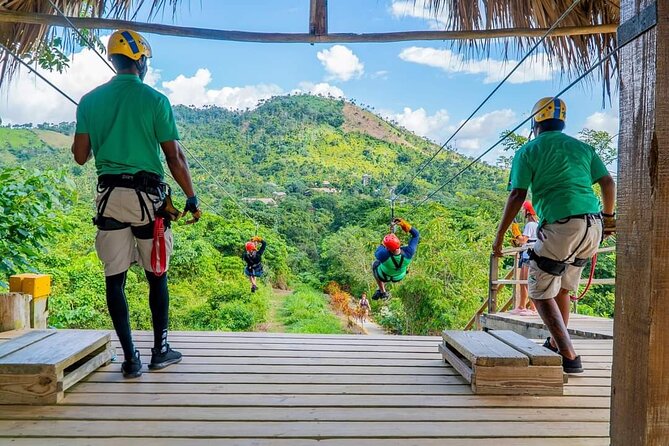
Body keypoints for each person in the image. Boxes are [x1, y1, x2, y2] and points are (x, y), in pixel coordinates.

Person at [72, 30, 201, 378]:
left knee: (115, 280)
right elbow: (174, 157)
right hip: (148, 200)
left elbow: (81, 156)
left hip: (110, 200)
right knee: (156, 276)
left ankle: (130, 359)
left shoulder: (89, 101)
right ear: (141, 62)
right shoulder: (155, 101)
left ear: (114, 61)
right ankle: (160, 350)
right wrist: (190, 198)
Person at [492, 97, 616, 374]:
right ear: (562, 121)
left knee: (537, 289)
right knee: (561, 287)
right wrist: (608, 219)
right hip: (592, 225)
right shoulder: (582, 147)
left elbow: (517, 194)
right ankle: (555, 343)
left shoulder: (528, 151)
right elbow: (608, 182)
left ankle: (569, 355)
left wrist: (499, 235)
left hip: (562, 225)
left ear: (536, 122)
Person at [371, 218, 420, 300]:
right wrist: (404, 225)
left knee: (375, 264)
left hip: (384, 276)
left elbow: (382, 246)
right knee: (400, 266)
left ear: (387, 248)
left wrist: (389, 234)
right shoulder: (409, 251)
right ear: (399, 242)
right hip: (399, 276)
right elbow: (416, 235)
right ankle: (381, 290)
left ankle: (383, 292)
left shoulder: (382, 254)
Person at [510, 201, 539, 315]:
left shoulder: (530, 225)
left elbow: (524, 240)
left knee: (527, 282)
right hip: (529, 254)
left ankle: (533, 308)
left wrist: (517, 234)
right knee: (523, 282)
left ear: (527, 211)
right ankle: (522, 306)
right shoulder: (537, 224)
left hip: (528, 255)